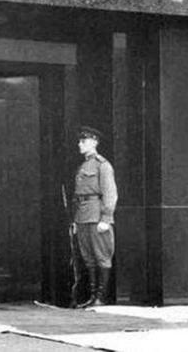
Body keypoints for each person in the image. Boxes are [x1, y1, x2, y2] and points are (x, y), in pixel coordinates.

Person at [72, 126, 117, 308]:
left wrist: (106, 219)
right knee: (88, 257)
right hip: (83, 216)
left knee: (102, 256)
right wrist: (76, 220)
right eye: (80, 141)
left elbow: (110, 193)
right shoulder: (83, 166)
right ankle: (92, 297)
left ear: (95, 142)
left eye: (84, 141)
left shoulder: (102, 165)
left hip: (97, 215)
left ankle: (101, 297)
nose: (80, 144)